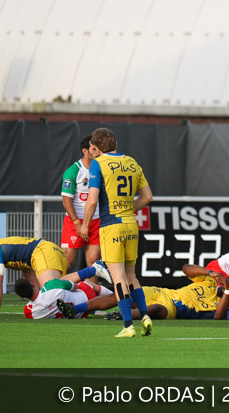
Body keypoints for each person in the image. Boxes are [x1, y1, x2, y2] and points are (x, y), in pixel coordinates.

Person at [79, 128, 154, 337]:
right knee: (132, 276)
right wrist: (130, 209)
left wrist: (85, 225)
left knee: (118, 277)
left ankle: (128, 325)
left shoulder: (98, 164)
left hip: (111, 225)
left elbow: (92, 200)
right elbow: (148, 197)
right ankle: (145, 315)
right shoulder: (132, 162)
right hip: (131, 224)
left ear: (95, 147)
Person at [59, 266, 229, 321]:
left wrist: (227, 292)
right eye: (228, 280)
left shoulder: (223, 305)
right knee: (121, 294)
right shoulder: (208, 282)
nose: (226, 283)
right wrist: (211, 273)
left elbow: (218, 317)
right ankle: (74, 310)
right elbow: (186, 269)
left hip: (174, 308)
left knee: (154, 309)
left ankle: (121, 316)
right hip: (163, 292)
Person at [0, 236, 67, 317]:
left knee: (53, 293)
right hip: (54, 250)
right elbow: (31, 278)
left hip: (43, 250)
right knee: (64, 293)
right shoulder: (20, 254)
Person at [60, 134, 101, 269]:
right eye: (94, 149)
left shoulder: (102, 169)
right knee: (66, 262)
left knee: (93, 264)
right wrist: (77, 223)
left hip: (95, 221)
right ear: (85, 151)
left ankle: (90, 291)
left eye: (99, 149)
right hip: (74, 223)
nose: (98, 152)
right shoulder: (73, 171)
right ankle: (57, 290)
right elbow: (66, 202)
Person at [14, 263, 112, 319]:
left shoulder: (28, 312)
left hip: (80, 315)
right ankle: (114, 295)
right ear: (32, 284)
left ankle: (93, 269)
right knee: (88, 284)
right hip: (86, 300)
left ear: (22, 296)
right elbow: (75, 287)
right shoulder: (51, 285)